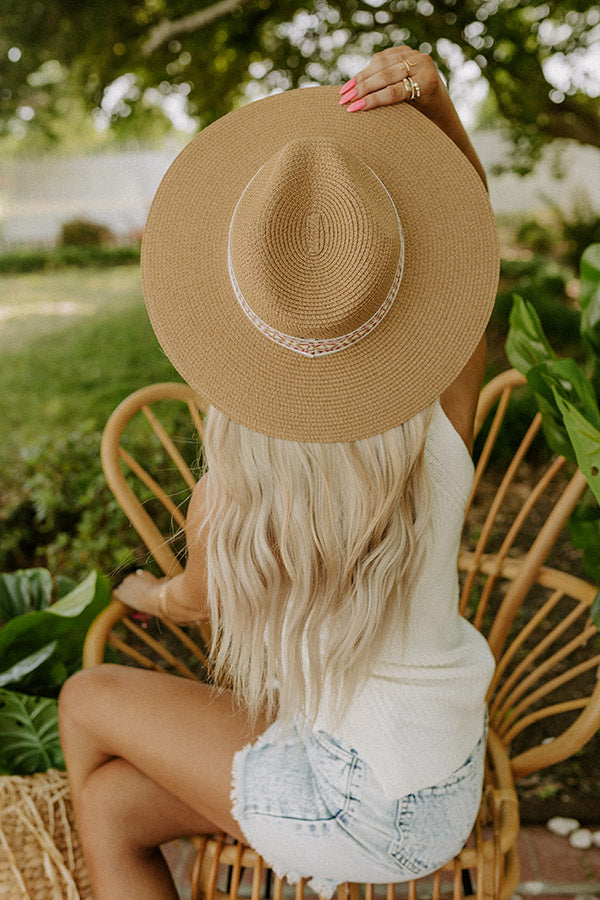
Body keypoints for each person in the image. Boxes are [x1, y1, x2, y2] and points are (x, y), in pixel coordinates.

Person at [58, 45, 499, 900]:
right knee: (113, 806)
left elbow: (192, 602)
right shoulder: (442, 432)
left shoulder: (241, 487)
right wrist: (435, 102)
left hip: (352, 803)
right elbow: (472, 234)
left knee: (85, 697)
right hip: (444, 773)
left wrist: (142, 595)